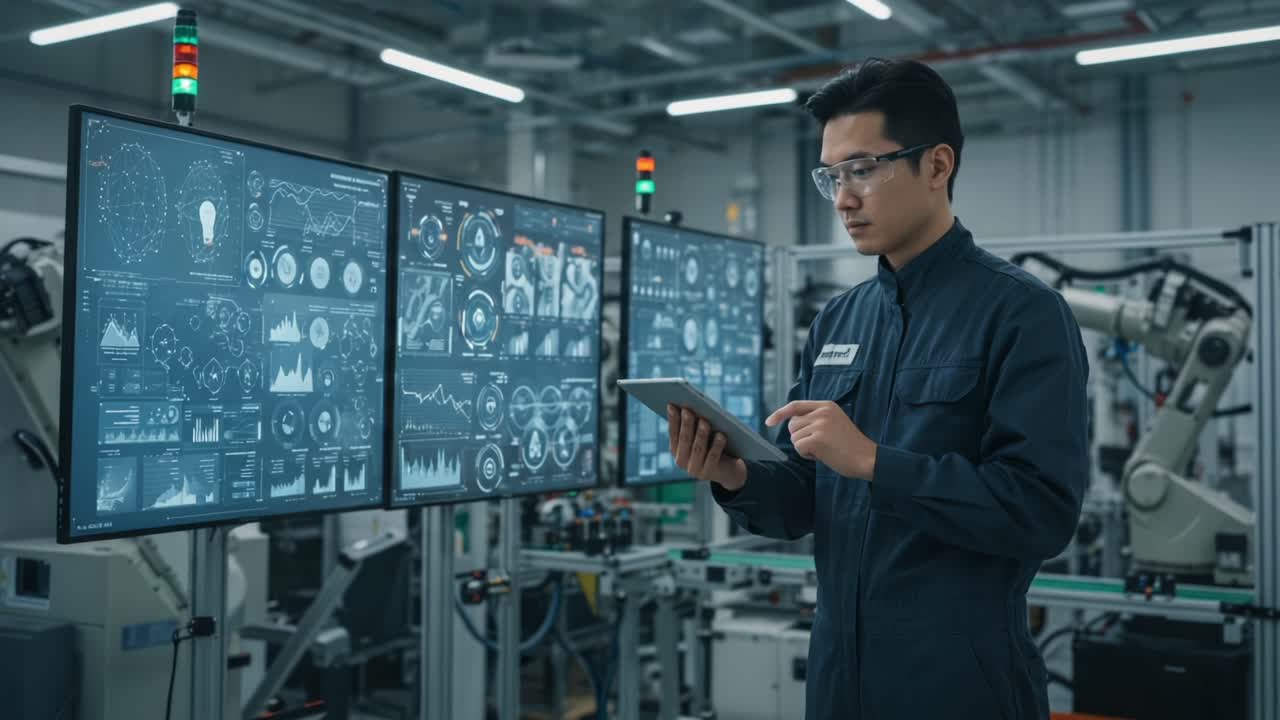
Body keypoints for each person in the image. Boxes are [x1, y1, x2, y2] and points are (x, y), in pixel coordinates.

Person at [667, 58, 1089, 720]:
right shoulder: (839, 319)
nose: (842, 198)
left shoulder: (1022, 314)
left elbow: (1040, 512)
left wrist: (873, 462)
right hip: (840, 683)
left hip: (960, 689)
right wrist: (736, 474)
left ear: (938, 165)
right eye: (832, 175)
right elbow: (801, 503)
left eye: (864, 169)